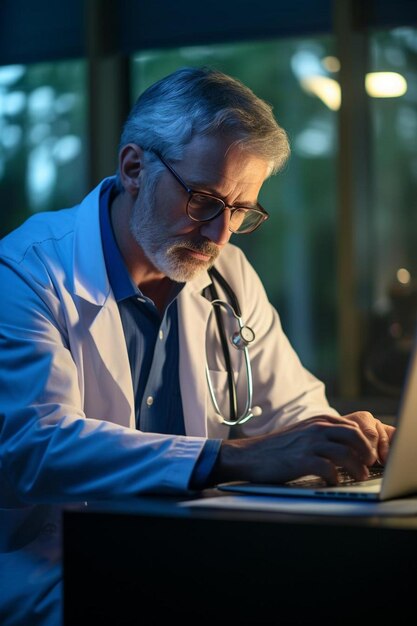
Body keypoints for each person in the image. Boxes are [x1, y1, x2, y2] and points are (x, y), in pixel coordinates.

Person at [0, 66, 395, 625]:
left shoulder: (227, 274)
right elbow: (36, 448)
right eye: (204, 200)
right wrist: (229, 457)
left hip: (188, 551)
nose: (220, 234)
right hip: (51, 566)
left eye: (241, 210)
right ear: (134, 166)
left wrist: (348, 441)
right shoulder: (25, 272)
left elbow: (296, 411)